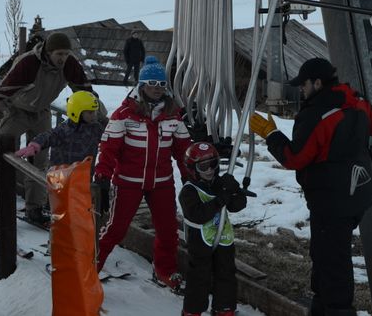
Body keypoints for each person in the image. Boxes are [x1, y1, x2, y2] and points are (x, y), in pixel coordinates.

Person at [248, 57, 372, 316]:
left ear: (318, 82)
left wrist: (272, 135)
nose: (300, 89)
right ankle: (323, 307)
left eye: (304, 84)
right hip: (357, 192)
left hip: (331, 198)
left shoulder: (318, 113)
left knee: (332, 261)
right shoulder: (355, 102)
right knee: (326, 254)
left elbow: (294, 157)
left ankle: (336, 310)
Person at [94, 55, 191, 293]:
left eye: (161, 86)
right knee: (115, 228)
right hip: (128, 181)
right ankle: (89, 267)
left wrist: (190, 177)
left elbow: (182, 150)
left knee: (168, 230)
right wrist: (103, 176)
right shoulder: (124, 114)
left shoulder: (173, 115)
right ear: (141, 85)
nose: (157, 90)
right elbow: (108, 148)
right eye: (152, 84)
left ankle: (164, 270)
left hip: (161, 182)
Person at [0, 32, 93, 229]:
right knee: (1, 159)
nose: (63, 58)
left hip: (42, 112)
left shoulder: (69, 64)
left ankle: (34, 208)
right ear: (48, 52)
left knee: (39, 162)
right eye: (59, 54)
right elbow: (2, 94)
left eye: (66, 54)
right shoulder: (28, 63)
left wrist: (96, 118)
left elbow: (85, 91)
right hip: (16, 110)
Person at [16, 90, 106, 316]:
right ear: (76, 113)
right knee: (62, 219)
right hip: (60, 183)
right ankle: (58, 251)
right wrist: (35, 145)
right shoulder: (64, 130)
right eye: (89, 113)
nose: (94, 116)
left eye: (95, 112)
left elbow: (112, 135)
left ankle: (85, 258)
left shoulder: (96, 129)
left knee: (84, 219)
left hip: (83, 184)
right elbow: (47, 136)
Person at [179, 143, 247, 316]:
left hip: (223, 238)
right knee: (199, 278)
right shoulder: (189, 191)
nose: (209, 170)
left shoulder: (219, 184)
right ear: (193, 168)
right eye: (203, 167)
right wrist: (220, 199)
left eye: (213, 164)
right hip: (200, 241)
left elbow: (237, 205)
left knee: (226, 274)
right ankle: (193, 311)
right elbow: (198, 215)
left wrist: (234, 191)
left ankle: (224, 308)